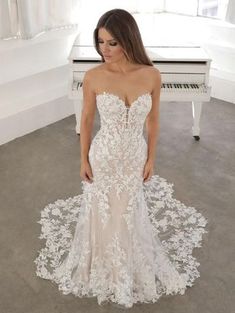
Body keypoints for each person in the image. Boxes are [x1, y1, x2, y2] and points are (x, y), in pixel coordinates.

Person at [34, 9, 208, 309]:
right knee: (105, 209)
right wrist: (83, 160)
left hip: (133, 156)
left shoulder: (151, 75)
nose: (105, 50)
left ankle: (127, 262)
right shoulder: (94, 77)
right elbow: (86, 121)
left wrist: (152, 157)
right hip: (104, 155)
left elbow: (153, 121)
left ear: (128, 39)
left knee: (127, 209)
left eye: (112, 43)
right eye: (100, 42)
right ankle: (103, 261)